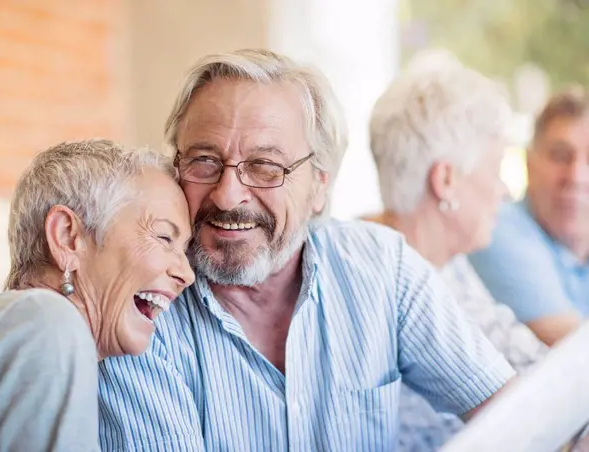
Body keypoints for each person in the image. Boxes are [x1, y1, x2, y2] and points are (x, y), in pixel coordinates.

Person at [98, 49, 515, 451]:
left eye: (265, 166)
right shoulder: (140, 307)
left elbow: (512, 415)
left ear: (319, 185)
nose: (227, 195)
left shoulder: (384, 269)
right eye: (205, 161)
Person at [0, 139, 195, 451]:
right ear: (68, 237)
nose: (187, 274)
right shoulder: (46, 322)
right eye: (164, 237)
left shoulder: (21, 327)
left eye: (184, 250)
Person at [368, 62, 548, 451]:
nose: (504, 190)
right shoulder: (384, 287)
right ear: (446, 180)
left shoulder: (446, 260)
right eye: (497, 169)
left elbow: (527, 361)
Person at [469, 88, 589, 346]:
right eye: (560, 155)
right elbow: (576, 351)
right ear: (529, 163)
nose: (576, 177)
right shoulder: (496, 229)